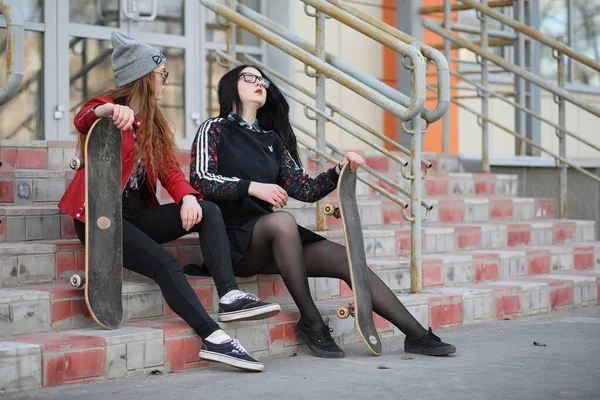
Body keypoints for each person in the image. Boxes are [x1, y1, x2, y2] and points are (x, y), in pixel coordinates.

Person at [188, 64, 457, 359]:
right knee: (282, 222)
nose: (260, 83)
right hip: (231, 241)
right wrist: (253, 187)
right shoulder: (214, 129)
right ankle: (313, 322)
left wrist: (338, 171)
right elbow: (201, 178)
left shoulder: (272, 142)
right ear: (230, 87)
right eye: (249, 77)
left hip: (274, 238)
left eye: (263, 79)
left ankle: (417, 334)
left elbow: (305, 189)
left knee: (345, 259)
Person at [58, 34, 281, 372]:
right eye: (163, 74)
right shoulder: (105, 108)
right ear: (145, 76)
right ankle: (213, 337)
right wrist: (108, 110)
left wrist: (188, 196)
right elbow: (83, 118)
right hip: (99, 215)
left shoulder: (155, 124)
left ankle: (230, 295)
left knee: (207, 209)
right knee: (167, 266)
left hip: (136, 214)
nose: (166, 81)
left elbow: (170, 172)